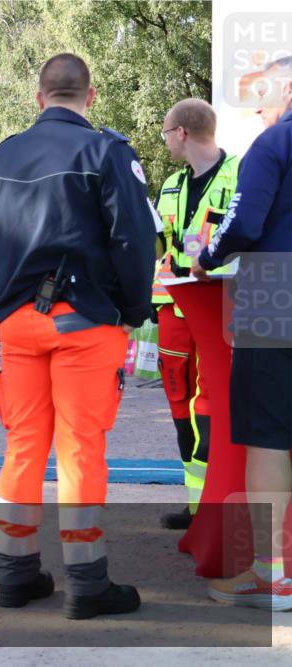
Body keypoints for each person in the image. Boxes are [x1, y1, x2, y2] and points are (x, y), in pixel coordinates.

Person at [0, 53, 156, 619]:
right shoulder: (107, 152)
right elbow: (134, 238)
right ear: (90, 96)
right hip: (86, 321)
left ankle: (16, 574)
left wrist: (10, 304)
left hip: (19, 324)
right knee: (80, 450)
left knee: (23, 446)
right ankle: (86, 582)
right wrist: (132, 309)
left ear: (39, 97)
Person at [193, 56, 292, 610]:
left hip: (277, 305)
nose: (256, 106)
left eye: (263, 94)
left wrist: (207, 255)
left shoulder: (274, 144)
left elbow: (244, 221)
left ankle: (273, 576)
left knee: (269, 439)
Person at [151, 99, 241, 530]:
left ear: (182, 132)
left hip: (220, 305)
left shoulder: (239, 174)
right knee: (177, 401)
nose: (165, 140)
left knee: (209, 403)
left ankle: (213, 506)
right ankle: (194, 505)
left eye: (166, 132)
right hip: (174, 306)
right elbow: (163, 248)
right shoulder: (170, 184)